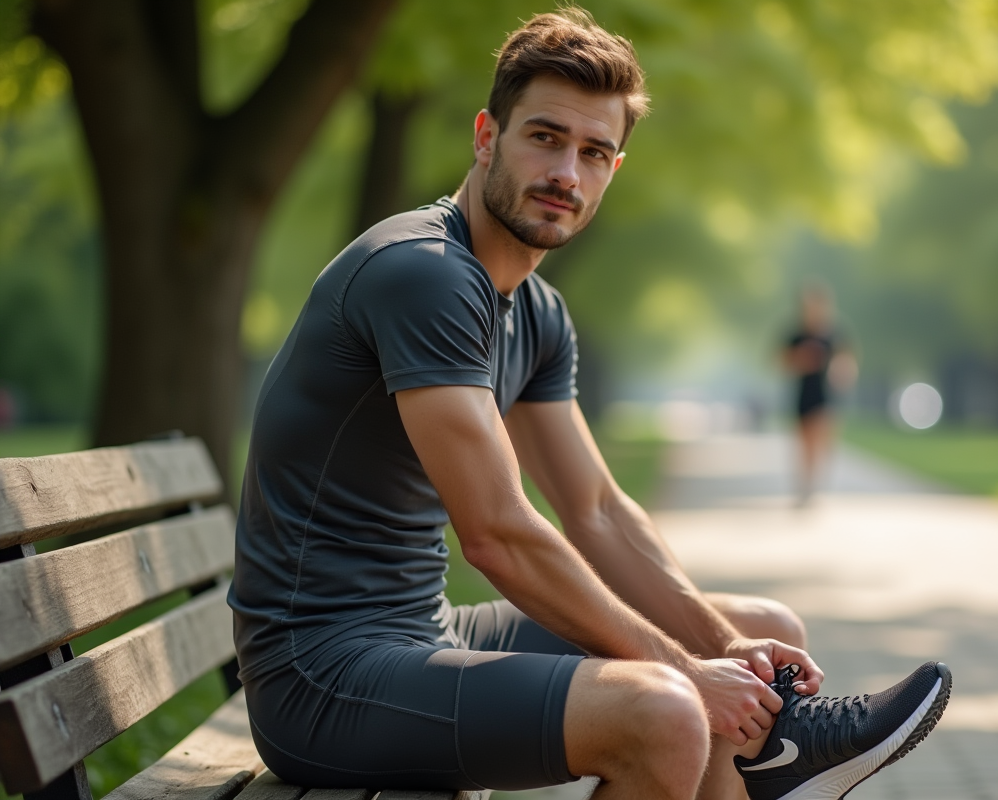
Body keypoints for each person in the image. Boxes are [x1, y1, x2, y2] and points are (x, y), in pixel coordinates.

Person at [228, 10, 949, 800]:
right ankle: (776, 762)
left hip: (424, 630)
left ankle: (772, 761)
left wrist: (725, 645)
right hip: (320, 672)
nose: (566, 171)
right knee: (671, 711)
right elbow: (499, 534)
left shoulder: (534, 311)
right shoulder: (425, 273)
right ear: (485, 136)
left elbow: (597, 509)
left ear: (613, 169)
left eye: (594, 152)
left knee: (766, 636)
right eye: (544, 137)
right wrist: (683, 670)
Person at [783, 284, 856, 504]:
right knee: (804, 443)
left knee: (821, 440)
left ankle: (814, 485)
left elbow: (848, 363)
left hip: (827, 397)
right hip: (803, 395)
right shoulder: (796, 335)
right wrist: (800, 361)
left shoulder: (834, 334)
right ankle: (806, 485)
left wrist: (842, 372)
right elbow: (782, 362)